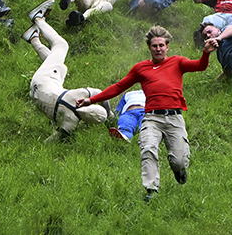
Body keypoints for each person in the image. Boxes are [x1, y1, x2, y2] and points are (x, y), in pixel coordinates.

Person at [75, 26, 215, 202]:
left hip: (174, 117)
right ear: (149, 47)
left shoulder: (177, 62)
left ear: (167, 46)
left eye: (161, 45)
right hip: (151, 117)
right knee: (148, 147)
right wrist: (91, 100)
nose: (158, 49)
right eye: (154, 46)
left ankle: (179, 170)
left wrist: (206, 53)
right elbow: (119, 87)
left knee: (178, 160)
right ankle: (151, 189)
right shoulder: (141, 68)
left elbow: (199, 66)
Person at [21, 0, 112, 144]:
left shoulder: (77, 96)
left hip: (43, 81)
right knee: (61, 68)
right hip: (35, 94)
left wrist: (110, 114)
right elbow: (51, 141)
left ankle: (37, 18)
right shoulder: (71, 125)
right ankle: (33, 38)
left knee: (61, 45)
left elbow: (100, 93)